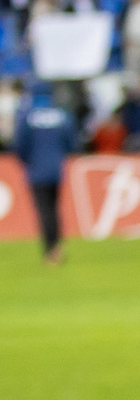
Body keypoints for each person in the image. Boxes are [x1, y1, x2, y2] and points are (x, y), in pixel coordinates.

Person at [13, 80, 73, 266]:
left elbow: (20, 145)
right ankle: (58, 247)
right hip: (56, 169)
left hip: (36, 171)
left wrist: (28, 162)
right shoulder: (62, 115)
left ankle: (50, 250)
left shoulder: (27, 116)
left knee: (44, 210)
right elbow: (71, 142)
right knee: (54, 209)